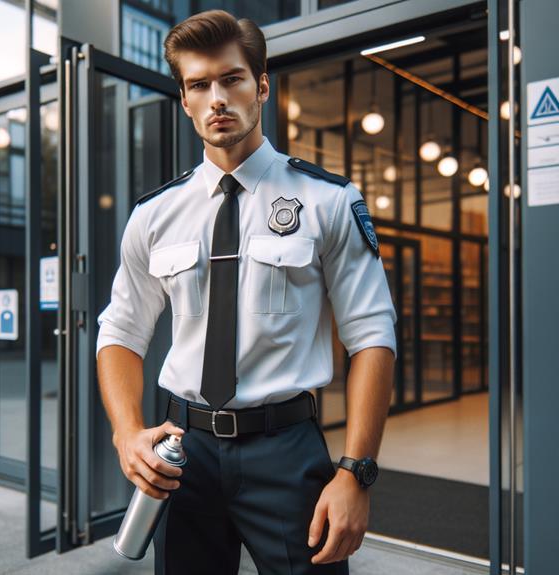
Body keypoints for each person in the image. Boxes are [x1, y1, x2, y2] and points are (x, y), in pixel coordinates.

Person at [95, 9, 396, 574]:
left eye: (231, 79)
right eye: (198, 84)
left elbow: (373, 337)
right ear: (184, 100)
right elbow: (120, 330)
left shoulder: (328, 200)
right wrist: (127, 432)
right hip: (183, 450)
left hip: (286, 451)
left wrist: (356, 472)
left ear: (260, 85)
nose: (216, 98)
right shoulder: (154, 215)